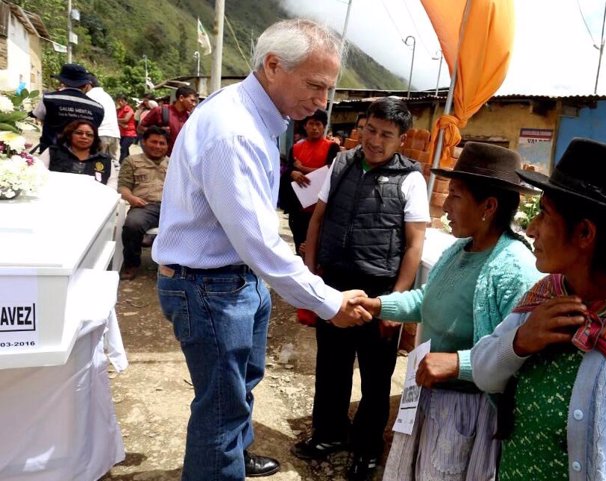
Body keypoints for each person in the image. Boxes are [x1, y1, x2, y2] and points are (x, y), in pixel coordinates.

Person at [152, 18, 371, 481]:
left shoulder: (255, 118)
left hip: (232, 279)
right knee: (220, 407)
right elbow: (259, 242)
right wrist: (329, 302)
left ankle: (233, 452)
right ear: (273, 66)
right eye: (314, 85)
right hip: (208, 286)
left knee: (241, 384)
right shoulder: (234, 130)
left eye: (328, 88)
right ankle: (220, 463)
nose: (322, 101)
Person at [471, 138, 606, 481]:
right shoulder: (543, 299)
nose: (531, 229)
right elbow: (484, 373)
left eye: (543, 214)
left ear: (585, 232)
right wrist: (519, 342)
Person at [350, 142, 543, 481]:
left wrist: (458, 366)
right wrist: (378, 304)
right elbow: (429, 299)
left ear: (489, 206)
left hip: (468, 414)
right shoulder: (460, 249)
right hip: (432, 399)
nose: (444, 205)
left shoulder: (513, 268)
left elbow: (518, 353)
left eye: (455, 195)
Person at [293, 97, 430, 481]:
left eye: (386, 134)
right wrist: (311, 276)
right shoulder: (341, 163)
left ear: (401, 139)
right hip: (334, 285)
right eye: (370, 130)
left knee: (375, 376)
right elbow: (318, 218)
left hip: (379, 292)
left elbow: (414, 244)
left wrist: (395, 303)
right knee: (331, 365)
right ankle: (329, 434)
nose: (375, 140)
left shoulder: (411, 179)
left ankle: (367, 447)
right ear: (361, 128)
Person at [280, 109, 340, 255]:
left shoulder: (332, 147)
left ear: (324, 126)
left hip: (321, 209)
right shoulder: (295, 148)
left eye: (318, 124)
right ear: (305, 126)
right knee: (300, 246)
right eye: (311, 123)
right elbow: (287, 170)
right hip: (299, 209)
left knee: (317, 248)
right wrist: (293, 173)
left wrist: (302, 168)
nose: (314, 128)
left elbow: (330, 170)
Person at [118, 126, 170, 281]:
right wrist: (131, 199)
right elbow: (123, 186)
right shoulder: (132, 161)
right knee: (132, 225)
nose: (158, 146)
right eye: (154, 142)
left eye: (162, 143)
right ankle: (131, 264)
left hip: (170, 207)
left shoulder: (174, 163)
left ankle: (176, 265)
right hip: (144, 206)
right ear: (144, 142)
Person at [32, 63, 105, 153]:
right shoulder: (98, 108)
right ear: (86, 85)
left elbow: (40, 118)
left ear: (62, 82)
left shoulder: (48, 99)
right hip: (81, 160)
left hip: (51, 156)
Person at [38, 120, 116, 189]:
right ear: (69, 135)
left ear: (94, 139)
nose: (84, 137)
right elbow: (37, 174)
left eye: (89, 135)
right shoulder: (53, 152)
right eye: (79, 133)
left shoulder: (105, 161)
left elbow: (112, 187)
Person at [138, 86, 197, 155]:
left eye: (195, 102)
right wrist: (158, 131)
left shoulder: (189, 117)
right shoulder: (160, 111)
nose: (194, 104)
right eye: (192, 100)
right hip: (160, 159)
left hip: (178, 158)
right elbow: (140, 128)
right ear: (181, 98)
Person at [84, 74, 121, 164]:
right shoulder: (107, 96)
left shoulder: (89, 95)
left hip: (100, 134)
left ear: (88, 84)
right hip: (114, 135)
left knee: (96, 166)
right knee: (113, 166)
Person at [116, 95, 138, 162]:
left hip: (129, 133)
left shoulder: (129, 109)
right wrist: (120, 123)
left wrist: (116, 120)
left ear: (126, 102)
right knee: (125, 149)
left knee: (123, 148)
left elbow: (126, 119)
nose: (120, 102)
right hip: (122, 133)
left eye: (122, 101)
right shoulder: (119, 110)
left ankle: (121, 163)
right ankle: (129, 162)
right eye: (119, 101)